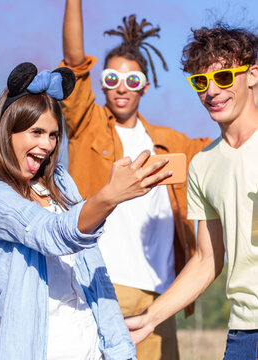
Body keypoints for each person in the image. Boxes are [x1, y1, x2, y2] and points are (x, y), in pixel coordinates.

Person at [0, 61, 173, 360]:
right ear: (6, 131)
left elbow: (95, 269)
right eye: (36, 132)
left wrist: (117, 345)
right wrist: (110, 197)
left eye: (53, 135)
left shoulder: (61, 182)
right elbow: (52, 233)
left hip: (93, 347)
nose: (46, 145)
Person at [60, 1, 210, 358]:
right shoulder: (87, 125)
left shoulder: (173, 144)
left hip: (158, 296)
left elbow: (233, 141)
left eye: (132, 80)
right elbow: (74, 60)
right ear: (102, 85)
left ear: (145, 86)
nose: (121, 88)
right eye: (111, 79)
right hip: (97, 284)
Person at [126, 25, 258, 360]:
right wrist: (149, 318)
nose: (212, 91)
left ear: (252, 75)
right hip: (244, 331)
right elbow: (206, 259)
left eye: (224, 77)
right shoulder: (202, 165)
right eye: (201, 82)